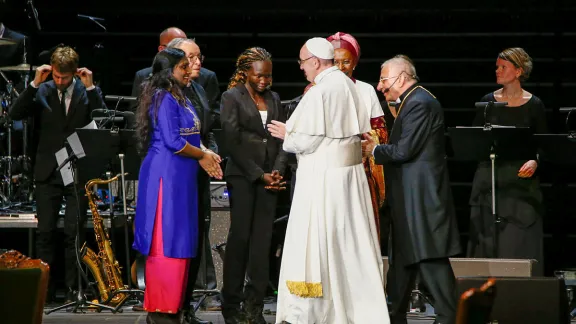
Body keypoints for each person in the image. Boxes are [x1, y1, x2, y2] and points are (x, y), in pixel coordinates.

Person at [268, 37, 389, 324]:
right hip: (349, 180)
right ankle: (350, 310)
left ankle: (318, 312)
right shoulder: (349, 85)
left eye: (302, 62)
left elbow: (307, 141)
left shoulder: (319, 91)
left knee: (323, 242)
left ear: (314, 61)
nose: (301, 69)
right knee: (349, 243)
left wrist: (288, 134)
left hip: (323, 181)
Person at [362, 55, 461, 324]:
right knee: (401, 269)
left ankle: (450, 318)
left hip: (422, 203)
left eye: (384, 79)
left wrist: (375, 149)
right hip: (407, 203)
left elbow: (405, 150)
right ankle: (393, 318)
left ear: (401, 78)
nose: (380, 86)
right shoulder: (410, 101)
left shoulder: (420, 103)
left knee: (430, 263)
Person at [9, 46, 106, 303]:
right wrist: (33, 84)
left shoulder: (86, 91)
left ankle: (75, 290)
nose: (60, 82)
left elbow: (102, 120)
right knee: (46, 232)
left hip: (76, 168)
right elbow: (14, 114)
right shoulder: (41, 89)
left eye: (65, 77)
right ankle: (45, 290)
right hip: (48, 169)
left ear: (75, 72)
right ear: (51, 71)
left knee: (73, 232)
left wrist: (91, 88)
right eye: (57, 77)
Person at [132, 48, 222, 324]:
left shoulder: (180, 96)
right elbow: (173, 141)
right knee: (166, 241)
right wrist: (203, 156)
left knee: (181, 240)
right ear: (168, 71)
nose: (188, 69)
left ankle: (175, 308)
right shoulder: (163, 98)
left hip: (181, 177)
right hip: (166, 177)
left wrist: (206, 149)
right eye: (183, 66)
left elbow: (193, 134)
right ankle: (160, 311)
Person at [219, 46, 288, 324]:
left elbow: (283, 139)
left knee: (263, 243)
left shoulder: (275, 98)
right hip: (244, 177)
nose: (264, 80)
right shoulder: (231, 97)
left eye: (268, 76)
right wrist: (259, 174)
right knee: (240, 241)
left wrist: (278, 171)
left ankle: (254, 306)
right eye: (259, 75)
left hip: (270, 179)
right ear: (246, 72)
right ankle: (231, 304)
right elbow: (231, 141)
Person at [467, 47, 547, 276]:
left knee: (517, 241)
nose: (498, 71)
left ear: (519, 71)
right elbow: (474, 140)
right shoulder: (487, 102)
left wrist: (535, 161)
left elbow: (542, 144)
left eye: (503, 67)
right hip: (490, 176)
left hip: (520, 180)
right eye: (497, 66)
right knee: (487, 239)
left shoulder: (535, 105)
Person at [165, 37, 219, 324]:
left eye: (198, 58)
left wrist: (211, 154)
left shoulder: (197, 88)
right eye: (190, 59)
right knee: (176, 243)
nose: (197, 64)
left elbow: (206, 129)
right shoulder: (164, 93)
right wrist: (201, 154)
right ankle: (170, 307)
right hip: (177, 174)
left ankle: (186, 308)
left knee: (197, 240)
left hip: (198, 173)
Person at [327, 31, 388, 241]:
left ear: (355, 63)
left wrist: (358, 139)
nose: (340, 67)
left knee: (361, 232)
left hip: (359, 169)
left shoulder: (366, 90)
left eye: (346, 62)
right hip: (327, 171)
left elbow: (380, 131)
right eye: (335, 62)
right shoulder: (317, 90)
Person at [131, 27, 221, 117]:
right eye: (191, 57)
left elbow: (211, 115)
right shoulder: (160, 91)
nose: (198, 62)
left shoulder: (199, 88)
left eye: (199, 57)